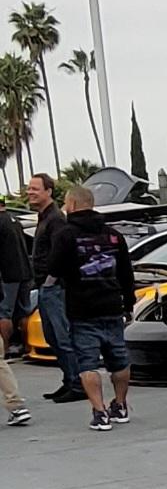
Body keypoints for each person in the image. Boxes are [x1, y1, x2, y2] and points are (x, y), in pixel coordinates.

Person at [44, 186, 136, 433]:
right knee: (119, 359)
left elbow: (53, 267)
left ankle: (100, 412)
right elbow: (127, 274)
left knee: (88, 363)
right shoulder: (114, 235)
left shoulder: (65, 235)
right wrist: (129, 303)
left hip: (82, 308)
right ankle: (120, 405)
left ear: (72, 204)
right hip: (112, 306)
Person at [25, 174, 84, 403]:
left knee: (62, 337)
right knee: (52, 337)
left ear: (49, 191)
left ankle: (77, 384)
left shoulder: (56, 219)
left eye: (35, 189)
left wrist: (51, 280)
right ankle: (69, 380)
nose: (30, 192)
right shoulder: (43, 218)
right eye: (29, 189)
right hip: (44, 287)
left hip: (55, 288)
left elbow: (61, 254)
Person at [0, 203, 32, 426]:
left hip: (7, 278)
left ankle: (8, 344)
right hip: (22, 274)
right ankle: (16, 405)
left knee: (5, 316)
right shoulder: (14, 221)